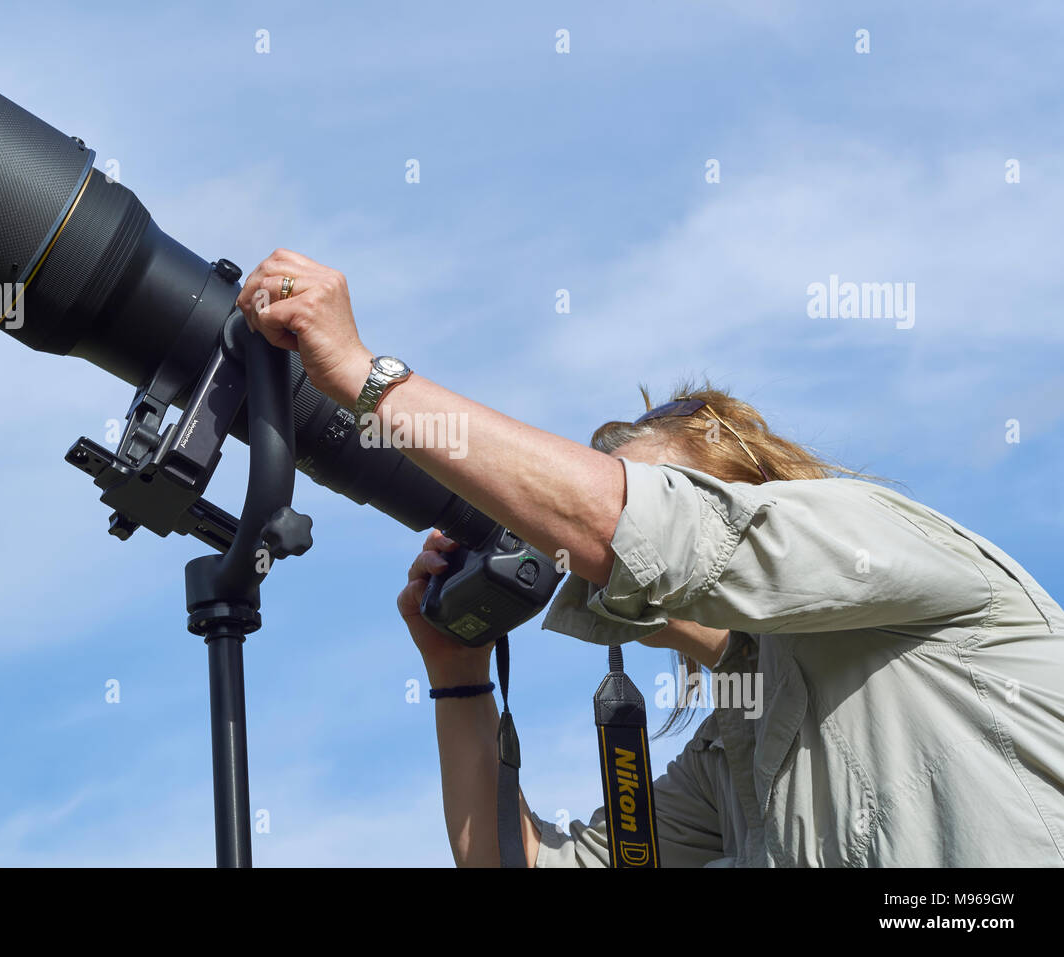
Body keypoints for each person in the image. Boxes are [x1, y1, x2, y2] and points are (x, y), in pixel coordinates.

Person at [234, 249, 1064, 867]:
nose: (636, 533)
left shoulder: (877, 541)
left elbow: (631, 528)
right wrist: (460, 678)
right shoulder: (732, 757)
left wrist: (367, 381)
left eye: (661, 494)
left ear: (750, 492)